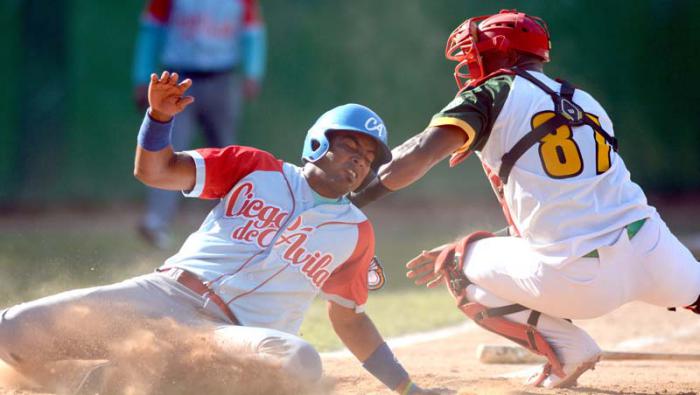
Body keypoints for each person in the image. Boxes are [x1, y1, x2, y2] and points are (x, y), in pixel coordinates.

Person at [0, 72, 436, 395]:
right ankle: (99, 377)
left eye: (368, 156)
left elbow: (350, 319)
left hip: (233, 337)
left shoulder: (355, 233)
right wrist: (158, 118)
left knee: (299, 360)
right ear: (319, 143)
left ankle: (134, 375)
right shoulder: (255, 168)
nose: (359, 160)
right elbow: (154, 171)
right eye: (350, 145)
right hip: (162, 297)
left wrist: (408, 389)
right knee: (14, 330)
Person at [351, 9, 700, 389]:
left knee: (455, 264)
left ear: (502, 54)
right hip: (655, 250)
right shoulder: (585, 101)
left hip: (579, 277)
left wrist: (351, 199)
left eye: (475, 54)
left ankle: (568, 349)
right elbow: (573, 201)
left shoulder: (493, 92)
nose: (470, 64)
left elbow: (417, 155)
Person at [132, 0, 267, 249]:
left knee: (227, 156)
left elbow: (252, 33)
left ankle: (233, 226)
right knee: (168, 148)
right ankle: (156, 222)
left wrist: (253, 72)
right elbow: (151, 32)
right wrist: (142, 76)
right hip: (178, 78)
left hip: (222, 79)